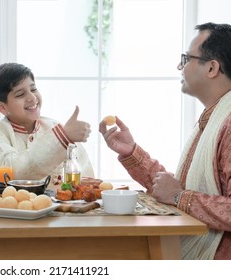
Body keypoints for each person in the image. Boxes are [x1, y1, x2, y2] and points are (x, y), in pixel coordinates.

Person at [99, 22, 231, 260]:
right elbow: (171, 188)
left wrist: (179, 196)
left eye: (186, 58)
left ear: (212, 68)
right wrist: (132, 153)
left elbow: (178, 193)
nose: (179, 66)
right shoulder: (213, 119)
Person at [0, 63, 95, 189]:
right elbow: (13, 174)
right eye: (20, 94)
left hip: (59, 208)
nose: (32, 97)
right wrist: (62, 138)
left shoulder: (56, 127)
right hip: (12, 207)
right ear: (2, 107)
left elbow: (86, 179)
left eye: (33, 89)